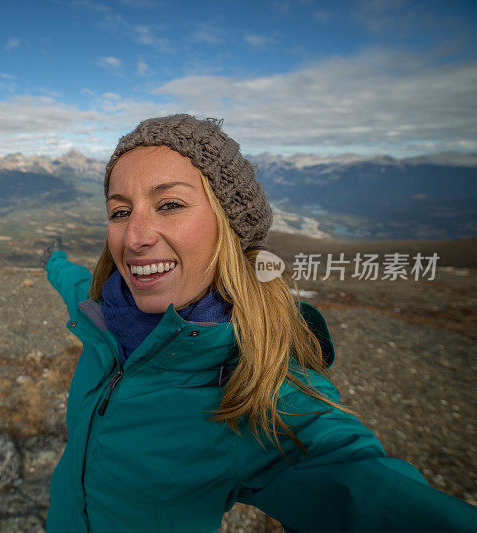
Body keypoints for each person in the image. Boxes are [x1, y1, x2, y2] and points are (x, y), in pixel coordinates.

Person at [40, 114, 477, 532]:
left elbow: (361, 488)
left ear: (228, 227)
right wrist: (52, 259)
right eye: (120, 212)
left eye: (169, 204)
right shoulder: (102, 310)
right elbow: (73, 280)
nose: (135, 237)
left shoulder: (256, 392)